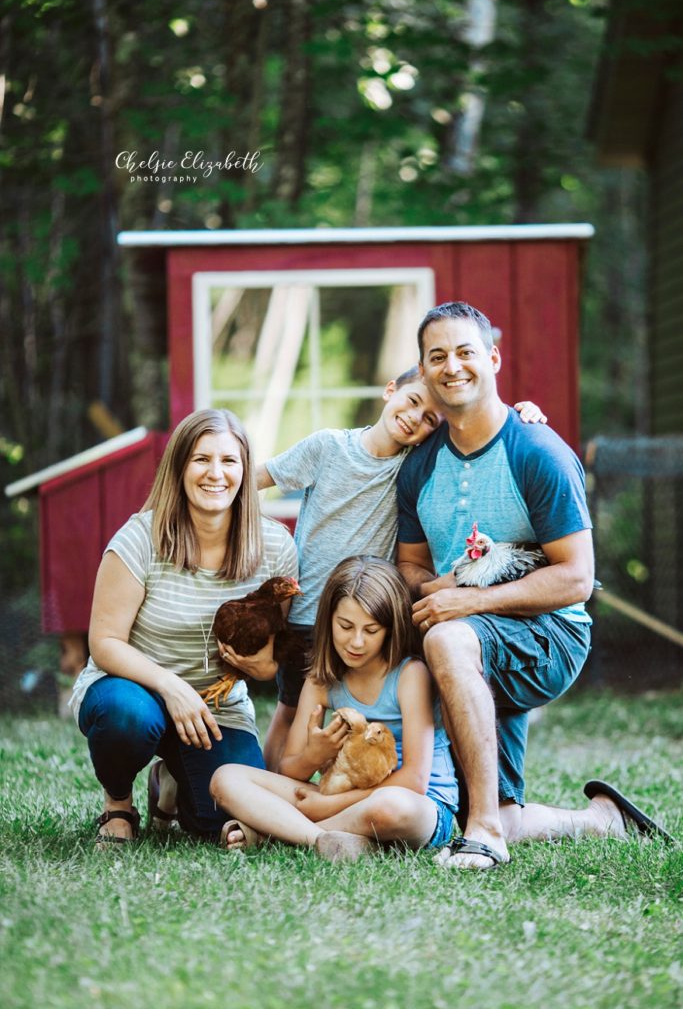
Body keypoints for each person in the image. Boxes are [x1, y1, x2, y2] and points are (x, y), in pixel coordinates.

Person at [397, 301, 671, 870]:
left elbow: (577, 578)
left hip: (549, 636)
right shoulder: (419, 467)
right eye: (437, 356)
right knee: (497, 802)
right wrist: (444, 590)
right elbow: (411, 569)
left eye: (466, 352)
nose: (453, 367)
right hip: (474, 632)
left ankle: (484, 836)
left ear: (493, 358)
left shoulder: (538, 452)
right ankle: (598, 821)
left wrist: (470, 601)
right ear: (422, 371)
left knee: (447, 640)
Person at [257, 365, 546, 769]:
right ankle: (271, 794)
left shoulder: (414, 467)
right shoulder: (327, 447)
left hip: (370, 617)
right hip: (307, 615)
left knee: (369, 713)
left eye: (430, 419)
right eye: (412, 401)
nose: (415, 418)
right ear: (390, 390)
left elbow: (479, 427)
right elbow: (254, 478)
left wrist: (519, 416)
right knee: (291, 711)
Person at [71, 408, 298, 846]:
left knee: (222, 822)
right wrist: (171, 687)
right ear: (179, 467)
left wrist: (264, 668)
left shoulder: (274, 546)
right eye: (201, 459)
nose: (216, 473)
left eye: (229, 461)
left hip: (216, 707)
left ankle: (169, 782)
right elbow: (104, 643)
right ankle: (118, 803)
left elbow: (273, 655)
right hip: (132, 687)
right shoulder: (140, 538)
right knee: (127, 718)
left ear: (245, 470)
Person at [209, 555, 458, 860]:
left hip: (419, 805)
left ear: (391, 629)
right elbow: (290, 769)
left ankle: (277, 833)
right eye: (345, 626)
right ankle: (322, 839)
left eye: (371, 630)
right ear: (328, 620)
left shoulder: (409, 675)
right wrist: (316, 754)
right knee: (226, 778)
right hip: (338, 796)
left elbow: (414, 781)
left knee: (390, 807)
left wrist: (327, 806)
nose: (356, 642)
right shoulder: (320, 681)